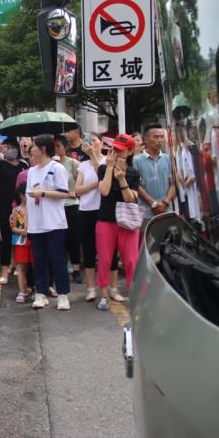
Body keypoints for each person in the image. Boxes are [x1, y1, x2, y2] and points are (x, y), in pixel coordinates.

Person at [25, 134, 71, 311]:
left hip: (54, 223)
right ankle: (40, 293)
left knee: (57, 259)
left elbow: (64, 193)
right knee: (39, 260)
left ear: (43, 149)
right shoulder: (31, 171)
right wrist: (28, 223)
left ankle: (63, 295)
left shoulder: (56, 168)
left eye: (34, 147)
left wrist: (43, 193)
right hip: (36, 224)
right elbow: (29, 199)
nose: (31, 150)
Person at [96, 134, 141, 311]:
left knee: (131, 261)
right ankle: (103, 295)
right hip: (106, 219)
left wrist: (122, 179)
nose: (115, 152)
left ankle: (134, 294)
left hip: (128, 221)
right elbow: (104, 191)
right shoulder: (103, 168)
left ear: (130, 151)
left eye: (120, 150)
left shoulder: (134, 173)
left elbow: (130, 199)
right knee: (105, 259)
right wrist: (109, 168)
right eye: (114, 149)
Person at [74, 133, 114, 302]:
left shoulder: (108, 161)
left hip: (104, 211)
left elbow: (104, 179)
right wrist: (94, 185)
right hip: (86, 211)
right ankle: (91, 288)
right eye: (89, 142)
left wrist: (94, 158)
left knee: (109, 252)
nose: (92, 144)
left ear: (101, 143)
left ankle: (112, 287)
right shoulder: (83, 165)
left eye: (95, 141)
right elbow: (77, 190)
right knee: (88, 250)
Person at [0, 138, 29, 284]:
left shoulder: (24, 165)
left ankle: (18, 265)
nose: (10, 149)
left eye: (12, 147)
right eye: (6, 147)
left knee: (21, 238)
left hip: (22, 207)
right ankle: (5, 270)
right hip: (4, 206)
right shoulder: (0, 164)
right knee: (5, 238)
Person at [134, 123, 175, 231]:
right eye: (156, 137)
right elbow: (136, 185)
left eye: (161, 137)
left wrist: (165, 202)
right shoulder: (136, 160)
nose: (160, 140)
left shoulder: (168, 159)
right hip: (146, 213)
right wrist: (153, 203)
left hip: (167, 210)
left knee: (168, 243)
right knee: (149, 244)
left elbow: (173, 183)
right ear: (146, 139)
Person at [54, 134, 82, 284]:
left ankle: (76, 269)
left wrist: (73, 193)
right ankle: (61, 269)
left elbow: (81, 186)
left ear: (65, 147)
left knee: (73, 239)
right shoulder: (51, 164)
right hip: (56, 207)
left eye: (59, 146)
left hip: (71, 206)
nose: (56, 149)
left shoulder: (73, 163)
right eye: (54, 146)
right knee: (59, 240)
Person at [10, 182, 32, 303]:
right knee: (21, 267)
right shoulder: (16, 211)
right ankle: (22, 291)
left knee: (33, 267)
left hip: (33, 241)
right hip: (21, 242)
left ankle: (33, 289)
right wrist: (22, 230)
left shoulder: (35, 208)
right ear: (22, 196)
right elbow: (13, 228)